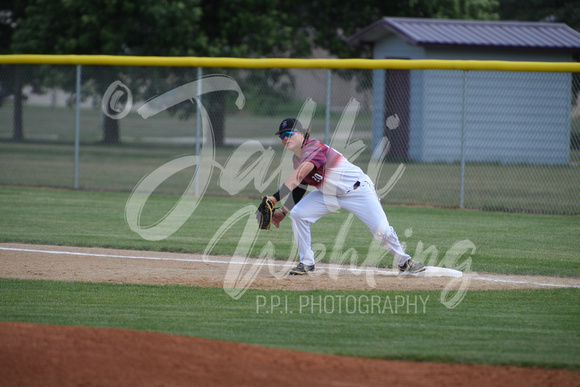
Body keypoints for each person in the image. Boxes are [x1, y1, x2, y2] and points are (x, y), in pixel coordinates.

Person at [267, 118, 426, 275]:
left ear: (301, 134)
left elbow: (297, 177)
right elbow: (300, 186)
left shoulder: (313, 147)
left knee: (381, 230)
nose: (285, 138)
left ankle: (404, 262)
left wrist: (274, 198)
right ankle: (307, 263)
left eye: (289, 133)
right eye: (282, 136)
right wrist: (283, 212)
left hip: (357, 190)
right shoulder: (296, 159)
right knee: (298, 214)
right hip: (328, 194)